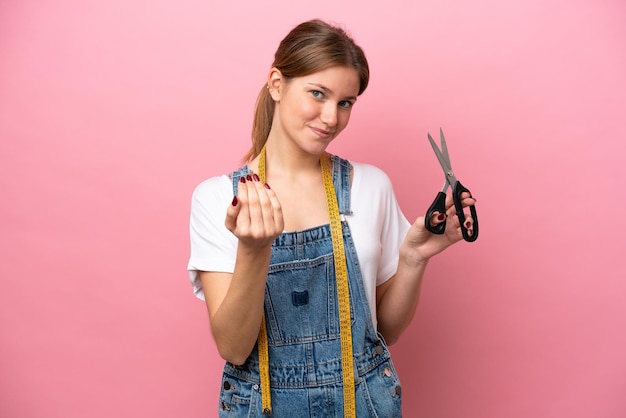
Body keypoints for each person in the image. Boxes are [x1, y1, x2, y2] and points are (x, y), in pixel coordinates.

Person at [187, 19, 476, 417]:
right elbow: (234, 347)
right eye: (317, 94)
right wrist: (253, 249)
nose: (330, 117)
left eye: (345, 103)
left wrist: (412, 258)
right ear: (276, 84)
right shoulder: (218, 199)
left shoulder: (371, 187)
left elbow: (386, 330)